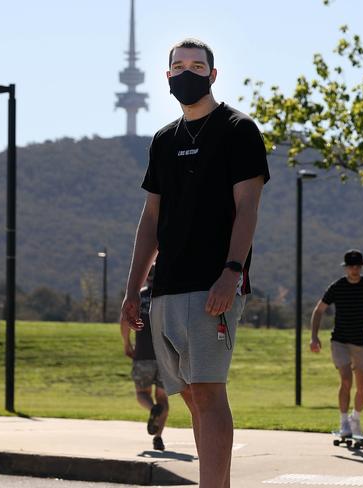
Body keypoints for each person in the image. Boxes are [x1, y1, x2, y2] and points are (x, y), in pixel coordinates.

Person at [120, 38, 269, 488]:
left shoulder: (238, 130)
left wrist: (232, 272)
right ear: (168, 76)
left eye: (197, 65)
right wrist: (132, 290)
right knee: (189, 396)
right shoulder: (164, 140)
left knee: (208, 391)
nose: (188, 72)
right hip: (164, 288)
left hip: (212, 284)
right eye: (179, 66)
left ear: (213, 74)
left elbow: (247, 208)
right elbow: (150, 219)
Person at [309, 249, 363, 437]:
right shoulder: (337, 287)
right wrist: (314, 336)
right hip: (340, 341)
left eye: (357, 266)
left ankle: (356, 419)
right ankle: (344, 422)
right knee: (346, 380)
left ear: (361, 267)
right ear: (346, 268)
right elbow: (318, 311)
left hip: (361, 342)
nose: (354, 269)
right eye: (351, 266)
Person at [120, 265, 168, 451]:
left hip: (143, 354)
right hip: (165, 357)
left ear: (147, 277)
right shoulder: (167, 299)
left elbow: (124, 321)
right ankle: (158, 437)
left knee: (142, 393)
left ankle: (151, 409)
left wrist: (127, 343)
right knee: (163, 398)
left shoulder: (138, 297)